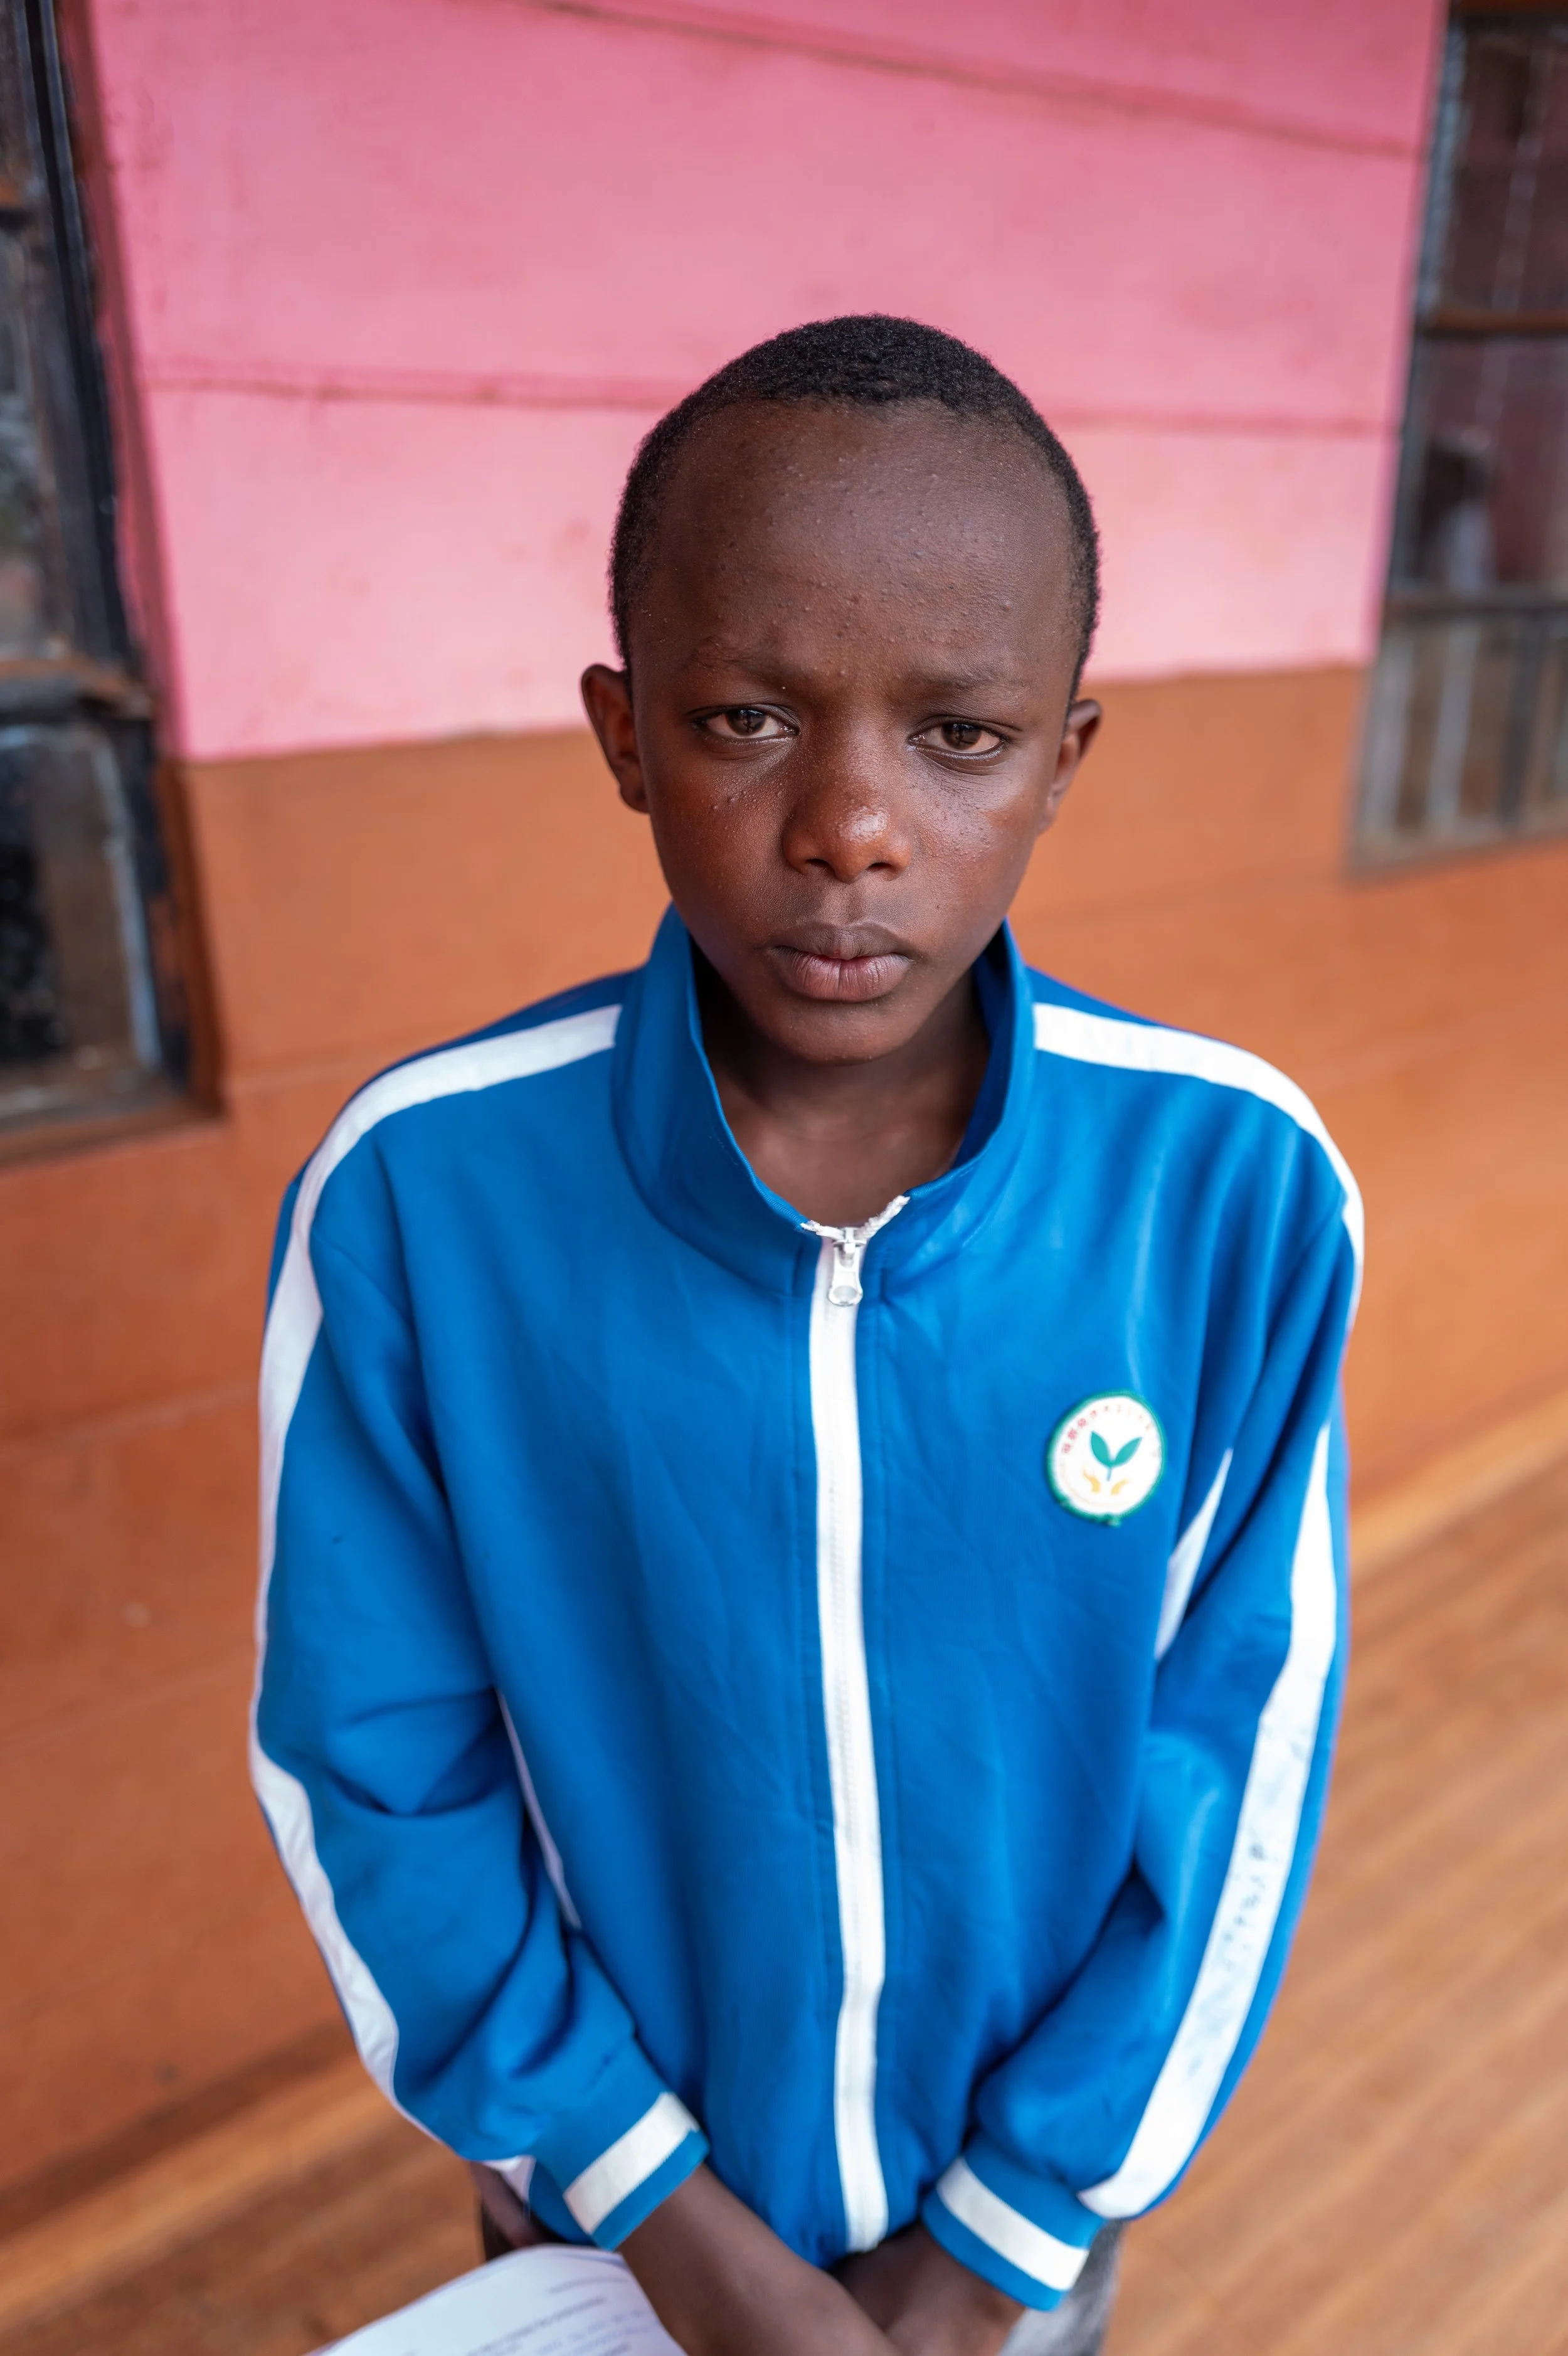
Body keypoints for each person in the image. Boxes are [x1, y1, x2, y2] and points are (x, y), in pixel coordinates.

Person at [252, 316, 1359, 2356]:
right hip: (608, 2239)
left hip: (1014, 2250)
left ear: (1063, 759)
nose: (848, 825)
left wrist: (993, 2254)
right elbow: (370, 1763)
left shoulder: (1229, 1191)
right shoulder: (422, 1197)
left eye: (957, 735)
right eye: (748, 718)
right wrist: (666, 2220)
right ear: (619, 732)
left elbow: (1240, 1754)